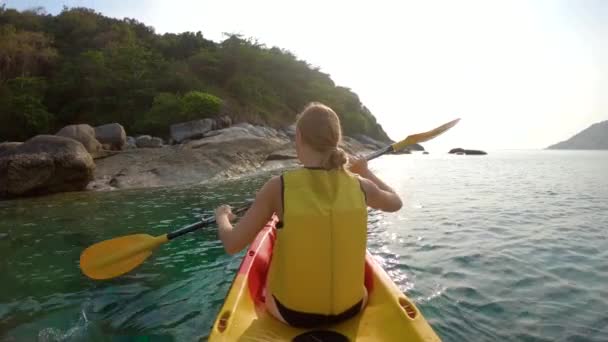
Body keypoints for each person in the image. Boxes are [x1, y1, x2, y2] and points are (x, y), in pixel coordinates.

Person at [214, 102, 402, 328]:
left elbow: (232, 244)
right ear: (336, 139)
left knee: (272, 267)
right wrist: (366, 172)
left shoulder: (278, 187)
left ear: (299, 137)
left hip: (293, 315)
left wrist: (222, 216)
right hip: (352, 308)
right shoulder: (361, 186)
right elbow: (395, 203)